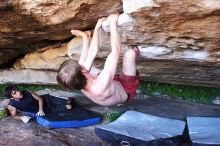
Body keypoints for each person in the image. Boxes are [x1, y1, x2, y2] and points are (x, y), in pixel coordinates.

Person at [57, 13, 139, 106]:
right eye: (79, 66)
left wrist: (97, 27)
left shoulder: (76, 81)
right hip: (125, 89)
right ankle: (86, 37)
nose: (80, 64)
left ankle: (85, 37)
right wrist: (113, 23)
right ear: (82, 71)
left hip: (109, 83)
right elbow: (115, 51)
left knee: (83, 63)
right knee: (130, 54)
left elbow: (92, 53)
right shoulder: (100, 85)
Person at [4, 86, 73, 123]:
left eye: (17, 90)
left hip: (45, 100)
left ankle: (68, 100)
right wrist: (21, 117)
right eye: (14, 93)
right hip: (44, 110)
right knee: (68, 107)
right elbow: (14, 116)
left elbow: (40, 98)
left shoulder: (27, 92)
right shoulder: (12, 105)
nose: (18, 92)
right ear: (11, 97)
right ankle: (68, 103)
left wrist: (40, 109)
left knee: (65, 101)